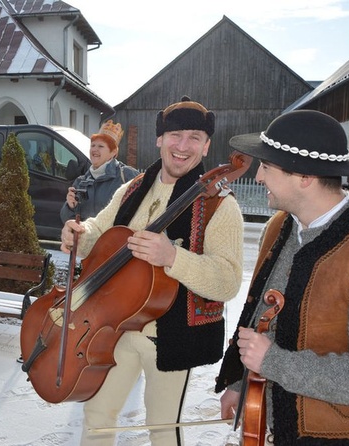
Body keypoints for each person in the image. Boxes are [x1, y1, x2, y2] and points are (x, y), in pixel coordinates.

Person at [60, 96, 244, 446]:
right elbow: (101, 229)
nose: (182, 146)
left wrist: (174, 257)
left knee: (162, 428)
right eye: (175, 135)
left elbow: (228, 280)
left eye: (194, 137)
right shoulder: (133, 187)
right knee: (97, 415)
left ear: (206, 146)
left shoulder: (221, 204)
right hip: (115, 327)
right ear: (159, 139)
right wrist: (79, 234)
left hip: (171, 336)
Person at [216, 110, 349, 445]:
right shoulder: (279, 226)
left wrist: (274, 362)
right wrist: (239, 384)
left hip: (339, 435)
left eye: (267, 167)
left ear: (304, 176)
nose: (258, 177)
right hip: (273, 424)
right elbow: (260, 318)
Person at [60, 119, 138, 223]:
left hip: (116, 238)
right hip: (88, 238)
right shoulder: (80, 182)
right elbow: (67, 220)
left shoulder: (127, 176)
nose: (95, 149)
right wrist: (70, 206)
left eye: (101, 146)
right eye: (93, 145)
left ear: (113, 152)